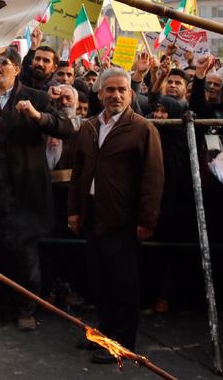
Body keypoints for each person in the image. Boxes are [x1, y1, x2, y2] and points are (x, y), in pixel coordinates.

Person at [66, 67, 163, 363]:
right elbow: (78, 173)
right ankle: (104, 337)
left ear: (131, 94)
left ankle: (121, 345)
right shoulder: (89, 126)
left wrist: (146, 221)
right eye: (110, 90)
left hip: (124, 218)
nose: (116, 95)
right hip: (93, 215)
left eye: (122, 90)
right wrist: (74, 211)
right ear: (100, 94)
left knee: (123, 285)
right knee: (100, 281)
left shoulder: (143, 129)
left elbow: (153, 180)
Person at [0, 47, 73, 331]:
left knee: (24, 251)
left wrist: (37, 117)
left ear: (17, 69)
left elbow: (65, 128)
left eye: (4, 63)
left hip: (24, 190)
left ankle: (26, 308)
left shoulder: (37, 97)